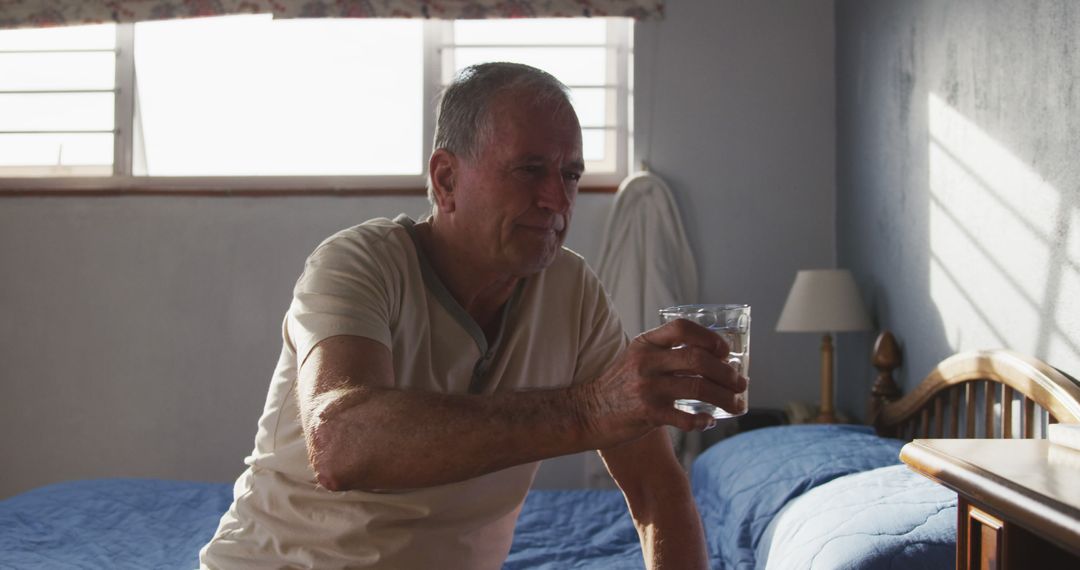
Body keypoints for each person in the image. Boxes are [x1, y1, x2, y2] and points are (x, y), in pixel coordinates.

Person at [199, 62, 745, 569]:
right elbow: (343, 443)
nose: (558, 199)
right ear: (446, 181)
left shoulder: (572, 290)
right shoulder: (358, 263)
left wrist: (618, 408)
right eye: (530, 170)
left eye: (571, 175)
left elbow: (656, 485)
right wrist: (588, 410)